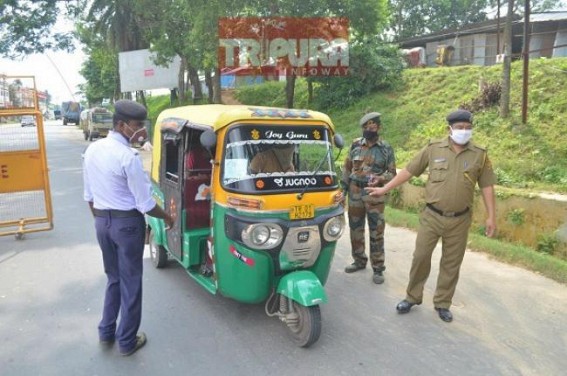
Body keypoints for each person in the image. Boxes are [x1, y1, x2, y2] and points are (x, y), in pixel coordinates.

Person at [365, 109, 497, 322]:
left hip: (460, 219)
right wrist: (383, 189)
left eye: (468, 128)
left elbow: (487, 186)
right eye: (460, 127)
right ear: (450, 129)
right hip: (432, 216)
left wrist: (492, 216)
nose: (464, 131)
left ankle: (443, 303)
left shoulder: (479, 155)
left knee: (451, 263)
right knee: (421, 257)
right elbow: (408, 171)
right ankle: (412, 296)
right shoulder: (433, 149)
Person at [83, 100, 174, 355]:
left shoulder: (93, 150)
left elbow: (89, 196)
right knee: (131, 282)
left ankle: (106, 331)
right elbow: (145, 204)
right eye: (137, 125)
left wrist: (103, 222)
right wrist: (167, 218)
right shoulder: (128, 157)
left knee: (114, 278)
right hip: (127, 225)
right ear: (122, 125)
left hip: (102, 222)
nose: (141, 130)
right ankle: (126, 341)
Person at [342, 112, 397, 284]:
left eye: (371, 127)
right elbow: (347, 168)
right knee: (355, 228)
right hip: (355, 192)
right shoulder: (355, 145)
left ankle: (378, 268)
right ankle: (359, 260)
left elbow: (392, 173)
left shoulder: (386, 148)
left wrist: (381, 178)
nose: (368, 130)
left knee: (376, 231)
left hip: (374, 194)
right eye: (365, 128)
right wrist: (342, 191)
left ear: (378, 128)